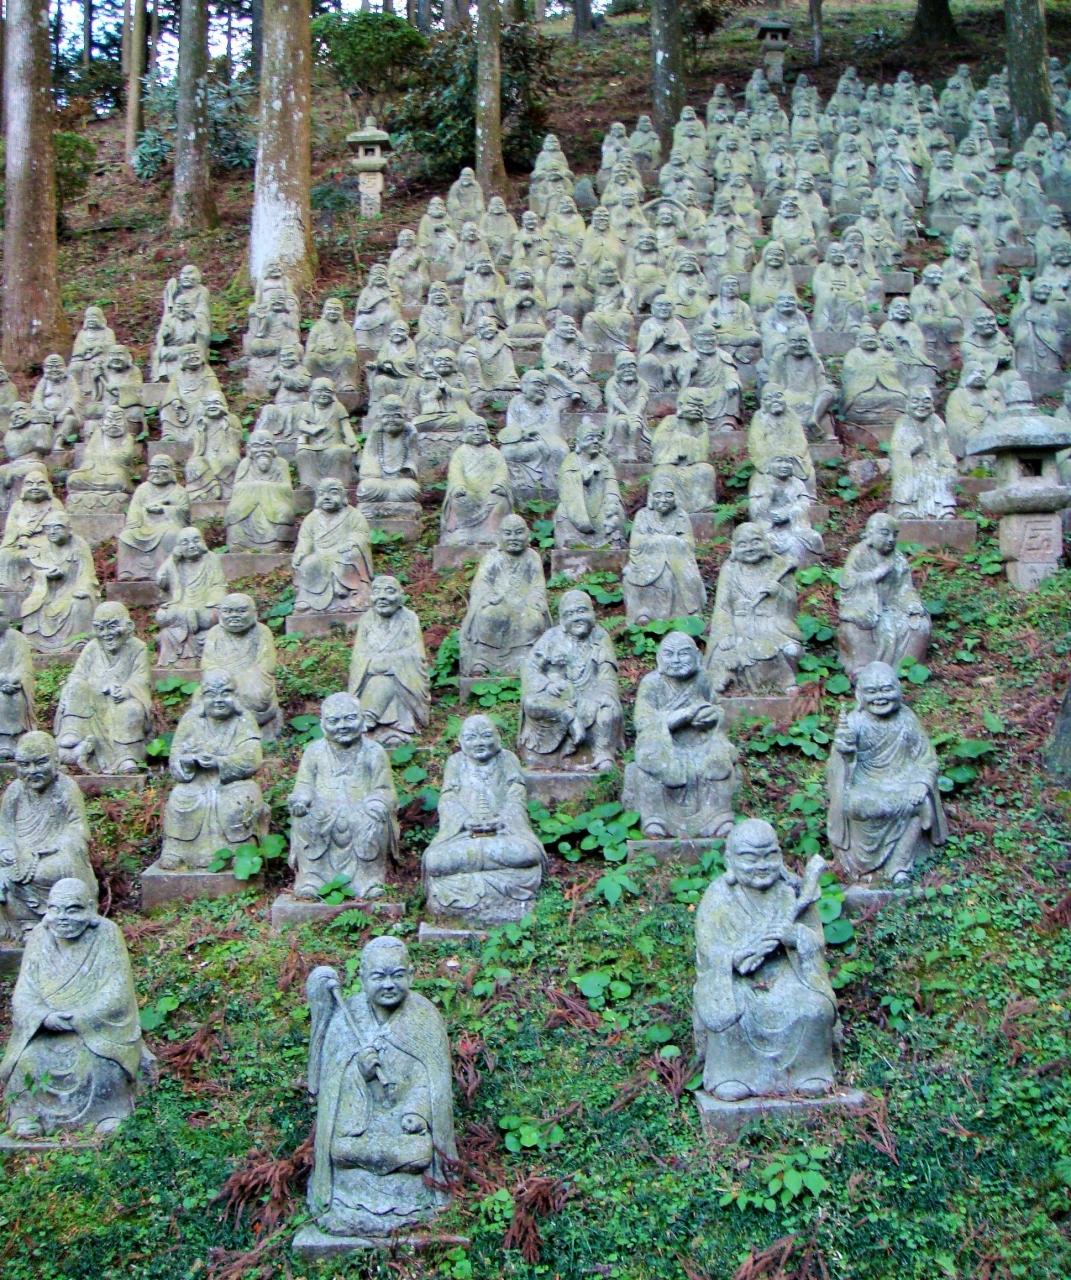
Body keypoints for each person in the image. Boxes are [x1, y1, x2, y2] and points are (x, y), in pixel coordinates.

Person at [303, 939, 455, 1238]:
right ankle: (347, 1201)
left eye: (397, 975)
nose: (388, 984)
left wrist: (416, 1114)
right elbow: (333, 1088)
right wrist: (358, 1074)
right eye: (378, 976)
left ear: (412, 975)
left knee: (419, 1152)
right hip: (358, 1128)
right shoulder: (346, 1018)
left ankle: (415, 1200)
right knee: (341, 1149)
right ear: (362, 978)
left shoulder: (424, 1017)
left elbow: (431, 1083)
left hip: (404, 1132)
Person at [693, 819, 837, 1101]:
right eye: (750, 858)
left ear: (780, 857)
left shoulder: (793, 892)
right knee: (732, 1013)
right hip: (738, 980)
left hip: (788, 973)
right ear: (730, 860)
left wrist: (794, 936)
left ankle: (808, 1073)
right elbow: (708, 947)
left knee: (815, 1007)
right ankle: (731, 1075)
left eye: (769, 856)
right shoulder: (719, 895)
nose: (761, 865)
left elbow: (816, 942)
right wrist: (734, 957)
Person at [1, 878, 151, 1139]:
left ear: (90, 909)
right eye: (55, 909)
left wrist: (81, 1017)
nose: (62, 918)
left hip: (96, 1029)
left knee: (102, 1063)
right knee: (27, 1060)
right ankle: (27, 1115)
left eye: (73, 909)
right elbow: (24, 994)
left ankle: (108, 1114)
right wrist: (45, 1017)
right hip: (46, 1030)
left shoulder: (107, 933)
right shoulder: (38, 937)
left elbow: (117, 991)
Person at [827, 662, 947, 885]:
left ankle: (898, 866)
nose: (880, 697)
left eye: (886, 689)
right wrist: (844, 754)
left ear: (898, 690)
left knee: (921, 804)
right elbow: (839, 769)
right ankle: (859, 865)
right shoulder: (855, 721)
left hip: (902, 782)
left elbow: (926, 759)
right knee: (858, 805)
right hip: (865, 785)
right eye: (871, 692)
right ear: (859, 694)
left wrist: (920, 783)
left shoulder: (907, 719)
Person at [423, 716, 546, 924]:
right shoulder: (456, 762)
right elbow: (448, 799)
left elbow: (516, 796)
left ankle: (474, 881)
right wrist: (464, 821)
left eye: (486, 736)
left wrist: (502, 819)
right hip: (464, 837)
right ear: (461, 741)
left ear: (498, 738)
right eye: (471, 738)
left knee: (528, 853)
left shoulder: (507, 759)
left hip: (502, 835)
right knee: (435, 861)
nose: (479, 743)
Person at [623, 632, 739, 839]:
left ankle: (717, 819)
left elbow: (719, 709)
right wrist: (682, 716)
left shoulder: (703, 679)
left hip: (700, 742)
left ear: (696, 656)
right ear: (659, 658)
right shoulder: (652, 683)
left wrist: (712, 716)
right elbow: (643, 721)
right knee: (649, 765)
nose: (676, 660)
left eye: (683, 654)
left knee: (718, 762)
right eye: (669, 654)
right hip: (664, 745)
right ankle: (655, 820)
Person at [287, 693, 398, 900]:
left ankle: (369, 879)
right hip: (323, 809)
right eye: (334, 721)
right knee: (306, 819)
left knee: (372, 821)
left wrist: (377, 801)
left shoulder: (374, 751)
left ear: (362, 720)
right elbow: (304, 785)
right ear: (322, 724)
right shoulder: (314, 752)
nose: (342, 726)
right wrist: (300, 800)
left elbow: (384, 789)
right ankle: (312, 878)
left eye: (350, 718)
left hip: (362, 808)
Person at [160, 670, 268, 871]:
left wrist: (220, 762)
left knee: (236, 802)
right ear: (202, 698)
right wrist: (189, 761)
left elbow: (252, 758)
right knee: (180, 797)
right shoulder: (191, 720)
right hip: (196, 782)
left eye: (225, 693)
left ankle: (240, 849)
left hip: (233, 782)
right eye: (211, 694)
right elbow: (175, 757)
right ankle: (177, 849)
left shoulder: (244, 720)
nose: (218, 700)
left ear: (235, 696)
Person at [0, 732, 95, 942]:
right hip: (19, 855)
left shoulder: (66, 788)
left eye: (41, 763)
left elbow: (79, 828)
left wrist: (55, 846)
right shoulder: (14, 791)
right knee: (4, 875)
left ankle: (53, 921)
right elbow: (4, 830)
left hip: (54, 854)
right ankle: (24, 924)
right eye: (24, 765)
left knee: (44, 872)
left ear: (56, 761)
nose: (32, 771)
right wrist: (7, 850)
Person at [519, 590, 622, 772]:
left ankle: (601, 754)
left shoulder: (600, 636)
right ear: (561, 620)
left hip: (589, 696)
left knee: (608, 709)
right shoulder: (551, 637)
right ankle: (569, 720)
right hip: (557, 699)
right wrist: (547, 684)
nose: (577, 618)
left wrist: (595, 696)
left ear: (592, 613)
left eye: (582, 611)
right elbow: (530, 668)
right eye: (570, 614)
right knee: (531, 702)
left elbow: (607, 678)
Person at [54, 603, 152, 775]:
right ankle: (73, 731)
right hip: (92, 703)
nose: (106, 634)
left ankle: (126, 755)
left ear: (128, 626)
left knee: (132, 709)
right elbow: (77, 675)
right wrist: (87, 687)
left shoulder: (138, 648)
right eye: (100, 628)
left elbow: (141, 678)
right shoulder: (92, 648)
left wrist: (127, 689)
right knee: (76, 686)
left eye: (112, 627)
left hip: (120, 702)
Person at [705, 523, 802, 696]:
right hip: (738, 624)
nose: (750, 548)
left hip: (771, 623)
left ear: (766, 542)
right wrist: (727, 633)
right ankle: (728, 684)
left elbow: (792, 606)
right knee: (722, 653)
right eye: (743, 544)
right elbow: (722, 608)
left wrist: (779, 592)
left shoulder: (780, 566)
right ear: (733, 548)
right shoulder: (730, 569)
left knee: (790, 651)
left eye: (756, 542)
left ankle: (782, 682)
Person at [838, 513, 930, 675]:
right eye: (885, 533)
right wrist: (876, 574)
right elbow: (848, 582)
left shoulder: (898, 558)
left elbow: (905, 588)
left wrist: (912, 604)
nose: (891, 539)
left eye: (895, 535)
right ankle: (862, 668)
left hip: (893, 607)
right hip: (865, 606)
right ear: (871, 533)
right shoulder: (860, 553)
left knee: (920, 624)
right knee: (856, 625)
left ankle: (905, 667)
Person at [460, 516, 549, 678]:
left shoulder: (532, 557)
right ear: (499, 536)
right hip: (499, 601)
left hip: (524, 603)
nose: (513, 538)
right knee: (491, 615)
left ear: (528, 535)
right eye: (508, 533)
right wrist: (489, 596)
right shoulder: (492, 556)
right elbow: (481, 582)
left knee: (533, 619)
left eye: (518, 533)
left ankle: (525, 658)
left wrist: (534, 599)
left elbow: (538, 584)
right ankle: (483, 660)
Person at [348, 576, 430, 747]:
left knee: (386, 681)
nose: (382, 597)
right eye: (376, 592)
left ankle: (370, 720)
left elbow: (417, 655)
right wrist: (372, 663)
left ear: (400, 596)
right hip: (372, 674)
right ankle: (369, 721)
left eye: (389, 591)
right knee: (379, 680)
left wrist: (392, 662)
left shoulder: (409, 618)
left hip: (401, 678)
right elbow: (358, 656)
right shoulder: (366, 620)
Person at [623, 475, 706, 625]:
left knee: (672, 576)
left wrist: (667, 542)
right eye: (658, 495)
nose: (663, 500)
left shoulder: (680, 515)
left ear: (675, 497)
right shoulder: (643, 515)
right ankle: (642, 613)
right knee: (629, 575)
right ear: (650, 497)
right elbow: (635, 543)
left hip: (676, 560)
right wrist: (659, 541)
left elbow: (689, 544)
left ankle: (678, 615)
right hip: (646, 560)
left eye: (668, 495)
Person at [201, 595, 282, 741]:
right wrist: (223, 679)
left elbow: (267, 665)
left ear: (254, 613)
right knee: (201, 698)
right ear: (219, 614)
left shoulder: (262, 631)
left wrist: (240, 680)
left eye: (241, 611)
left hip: (253, 681)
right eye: (228, 611)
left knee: (257, 695)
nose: (234, 616)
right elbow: (208, 664)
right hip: (221, 682)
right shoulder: (215, 633)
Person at [20, 513, 99, 656]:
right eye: (47, 528)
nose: (52, 532)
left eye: (57, 527)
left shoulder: (79, 545)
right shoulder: (40, 547)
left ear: (69, 529)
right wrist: (45, 575)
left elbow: (87, 573)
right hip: (47, 592)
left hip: (72, 588)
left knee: (80, 602)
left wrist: (82, 588)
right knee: (30, 604)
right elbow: (32, 572)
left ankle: (78, 641)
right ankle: (34, 641)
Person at [293, 479, 374, 615]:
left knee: (350, 555)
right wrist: (301, 552)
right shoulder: (312, 518)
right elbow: (305, 539)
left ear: (343, 496)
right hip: (319, 554)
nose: (327, 497)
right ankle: (307, 598)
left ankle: (348, 590)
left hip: (342, 551)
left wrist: (352, 542)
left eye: (333, 493)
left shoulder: (354, 515)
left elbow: (361, 534)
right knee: (307, 563)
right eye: (322, 493)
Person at [154, 526, 227, 666]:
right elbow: (160, 580)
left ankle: (186, 621)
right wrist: (172, 559)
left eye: (196, 540)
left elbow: (219, 586)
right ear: (178, 547)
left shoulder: (211, 559)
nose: (192, 545)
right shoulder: (175, 562)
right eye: (185, 542)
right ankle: (187, 619)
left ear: (202, 542)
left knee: (216, 615)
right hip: (181, 608)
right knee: (161, 615)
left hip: (203, 609)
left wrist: (211, 604)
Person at [554, 419, 626, 550]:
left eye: (598, 438)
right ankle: (569, 541)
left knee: (618, 511)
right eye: (590, 438)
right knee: (562, 511)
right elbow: (565, 485)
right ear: (579, 442)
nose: (595, 441)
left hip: (601, 507)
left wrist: (611, 498)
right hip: (578, 506)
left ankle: (613, 541)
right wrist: (584, 475)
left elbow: (611, 483)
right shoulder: (570, 461)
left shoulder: (604, 462)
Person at [439, 420, 512, 549]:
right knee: (459, 500)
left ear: (487, 432)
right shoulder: (460, 453)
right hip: (468, 493)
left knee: (500, 500)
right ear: (464, 433)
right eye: (471, 429)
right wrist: (459, 486)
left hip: (490, 493)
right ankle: (463, 531)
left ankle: (492, 531)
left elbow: (502, 471)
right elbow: (455, 473)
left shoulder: (494, 453)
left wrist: (498, 485)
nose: (477, 432)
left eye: (481, 429)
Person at [0, 615, 34, 760]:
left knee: (10, 697)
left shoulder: (16, 638)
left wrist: (15, 680)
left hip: (8, 684)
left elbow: (24, 667)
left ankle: (9, 741)